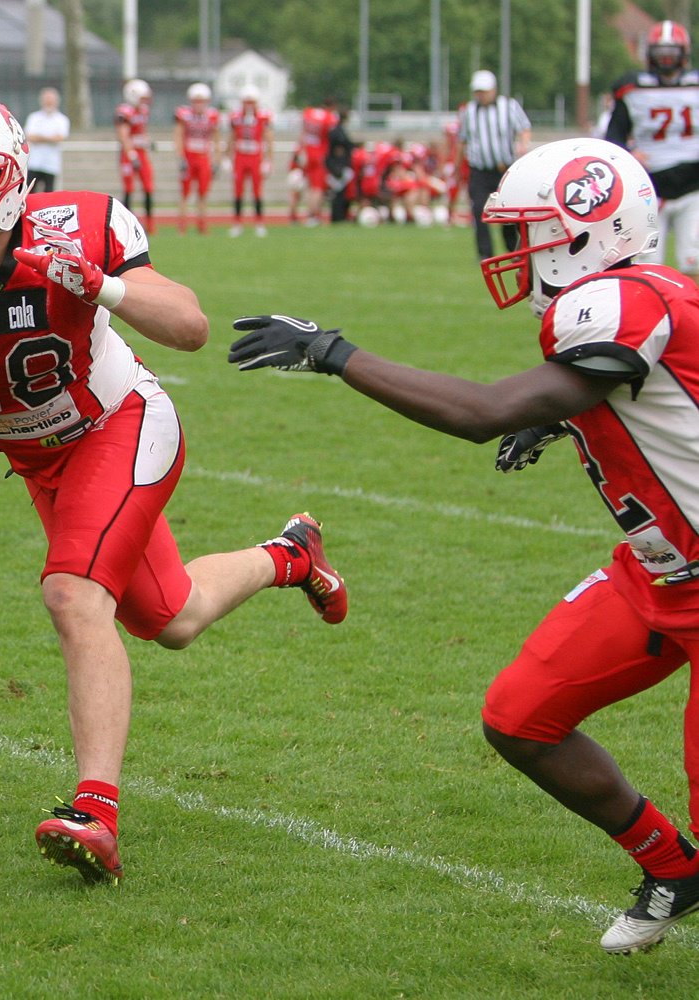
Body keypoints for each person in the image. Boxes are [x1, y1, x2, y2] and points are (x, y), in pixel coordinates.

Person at [0, 96, 348, 884]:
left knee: (75, 596)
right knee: (170, 616)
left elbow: (190, 325)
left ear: (11, 178)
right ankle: (292, 555)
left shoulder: (76, 224)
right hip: (36, 459)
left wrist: (102, 285)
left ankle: (96, 813)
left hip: (118, 426)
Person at [227, 135, 699, 956]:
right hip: (657, 573)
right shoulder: (647, 295)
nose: (516, 251)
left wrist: (333, 352)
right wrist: (564, 417)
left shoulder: (622, 299)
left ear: (593, 227)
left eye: (533, 233)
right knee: (521, 717)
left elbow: (483, 412)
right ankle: (674, 868)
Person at [605, 20, 699, 283]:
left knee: (693, 259)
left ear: (684, 53)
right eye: (661, 52)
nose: (666, 59)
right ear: (649, 54)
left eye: (671, 52)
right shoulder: (632, 88)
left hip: (694, 185)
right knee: (647, 264)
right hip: (649, 186)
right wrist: (629, 152)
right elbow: (614, 137)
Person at [459, 69, 530, 259]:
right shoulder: (469, 111)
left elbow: (524, 128)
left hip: (503, 169)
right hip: (479, 170)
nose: (481, 95)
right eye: (478, 92)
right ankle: (485, 253)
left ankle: (513, 249)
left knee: (508, 212)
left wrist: (522, 145)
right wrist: (457, 166)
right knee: (478, 210)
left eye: (484, 91)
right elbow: (463, 140)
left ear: (493, 90)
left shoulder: (509, 106)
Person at [174, 82, 221, 234]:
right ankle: (182, 227)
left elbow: (216, 139)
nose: (199, 105)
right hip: (189, 157)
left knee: (203, 193)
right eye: (196, 101)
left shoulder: (211, 116)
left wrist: (217, 160)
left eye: (202, 101)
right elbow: (178, 136)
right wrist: (180, 157)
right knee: (185, 193)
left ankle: (202, 225)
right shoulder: (184, 115)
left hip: (203, 157)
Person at [226, 85, 272, 237]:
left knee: (257, 191)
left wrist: (268, 160)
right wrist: (227, 157)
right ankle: (237, 223)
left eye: (252, 102)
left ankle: (259, 223)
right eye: (247, 102)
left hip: (255, 157)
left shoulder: (262, 118)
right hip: (240, 156)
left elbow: (268, 138)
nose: (249, 105)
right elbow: (231, 137)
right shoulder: (236, 118)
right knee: (238, 191)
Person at [115, 78, 155, 232]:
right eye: (142, 98)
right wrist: (131, 154)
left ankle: (150, 224)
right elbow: (123, 135)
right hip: (129, 154)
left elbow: (141, 131)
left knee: (148, 186)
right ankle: (127, 226)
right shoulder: (125, 112)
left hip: (141, 152)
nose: (145, 101)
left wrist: (148, 142)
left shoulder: (143, 111)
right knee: (129, 188)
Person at [291, 98, 338, 226]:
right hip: (318, 154)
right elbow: (332, 135)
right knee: (317, 188)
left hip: (304, 153)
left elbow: (302, 133)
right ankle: (312, 216)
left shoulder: (308, 112)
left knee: (300, 186)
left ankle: (293, 214)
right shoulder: (329, 117)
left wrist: (300, 150)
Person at [24, 86, 69, 193]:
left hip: (51, 164)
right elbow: (29, 136)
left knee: (48, 193)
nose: (49, 102)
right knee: (29, 192)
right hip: (34, 162)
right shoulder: (34, 117)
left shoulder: (62, 119)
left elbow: (60, 137)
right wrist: (49, 138)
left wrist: (40, 137)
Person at [324, 107, 356, 224]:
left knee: (340, 192)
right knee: (338, 193)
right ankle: (337, 216)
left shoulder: (337, 130)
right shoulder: (338, 132)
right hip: (337, 166)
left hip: (336, 165)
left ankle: (340, 216)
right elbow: (342, 146)